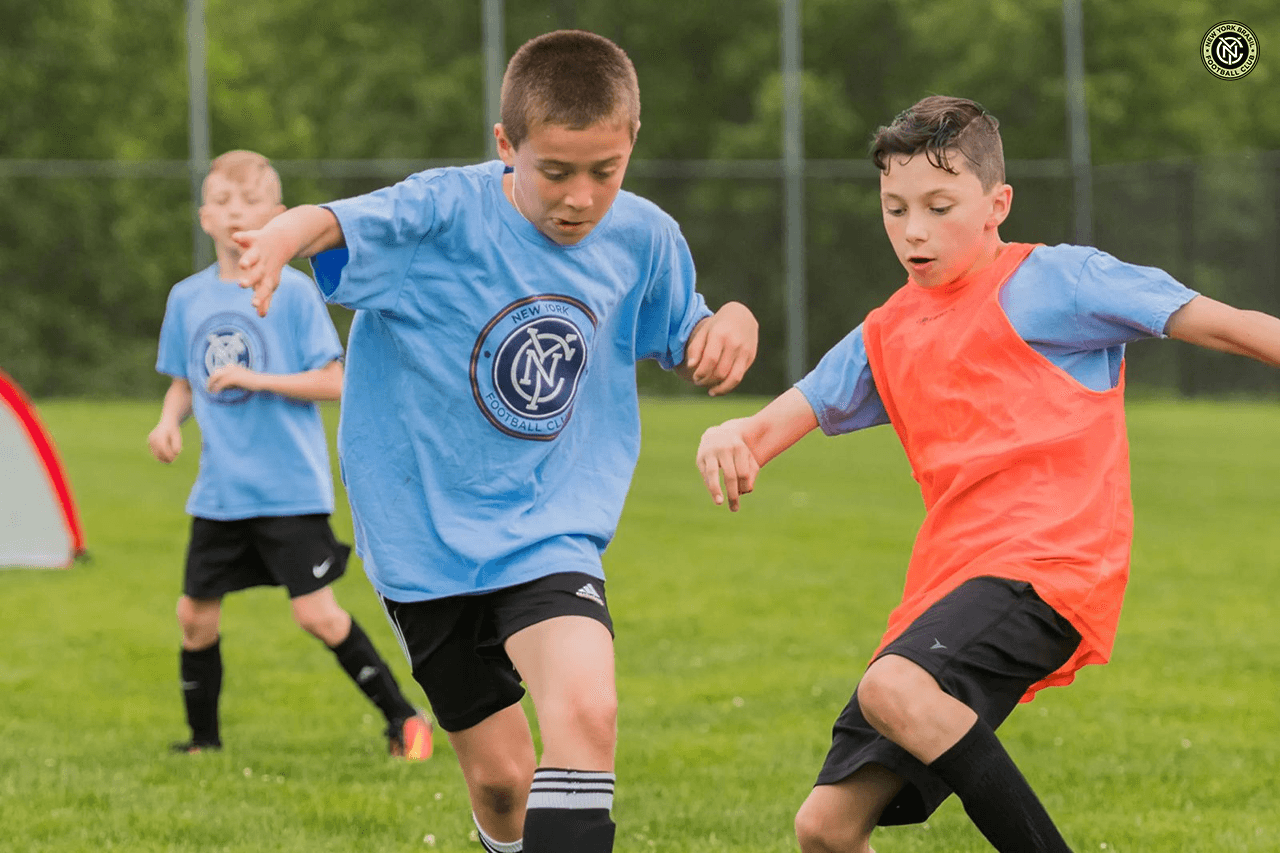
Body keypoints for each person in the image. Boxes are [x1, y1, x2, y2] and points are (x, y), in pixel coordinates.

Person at [696, 95, 1280, 852]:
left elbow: (1231, 323)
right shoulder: (885, 331)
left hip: (1049, 569)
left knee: (893, 687)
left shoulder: (1060, 281)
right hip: (947, 587)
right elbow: (772, 422)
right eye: (895, 207)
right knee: (827, 828)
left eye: (940, 206)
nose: (913, 230)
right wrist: (727, 432)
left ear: (996, 203)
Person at [234, 30, 758, 853]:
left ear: (631, 147)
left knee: (588, 710)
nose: (580, 197)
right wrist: (276, 239)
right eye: (555, 171)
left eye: (604, 171)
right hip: (423, 540)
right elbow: (331, 221)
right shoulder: (441, 213)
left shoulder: (643, 236)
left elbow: (688, 323)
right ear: (507, 146)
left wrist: (733, 320)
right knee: (504, 780)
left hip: (550, 527)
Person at [149, 150, 431, 761]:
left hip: (288, 489)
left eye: (250, 203)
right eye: (223, 203)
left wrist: (258, 381)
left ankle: (405, 721)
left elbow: (335, 380)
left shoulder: (297, 295)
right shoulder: (187, 299)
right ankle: (204, 744)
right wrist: (169, 422)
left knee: (317, 616)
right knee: (194, 617)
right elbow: (182, 380)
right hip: (220, 493)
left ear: (277, 215)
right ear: (204, 218)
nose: (235, 214)